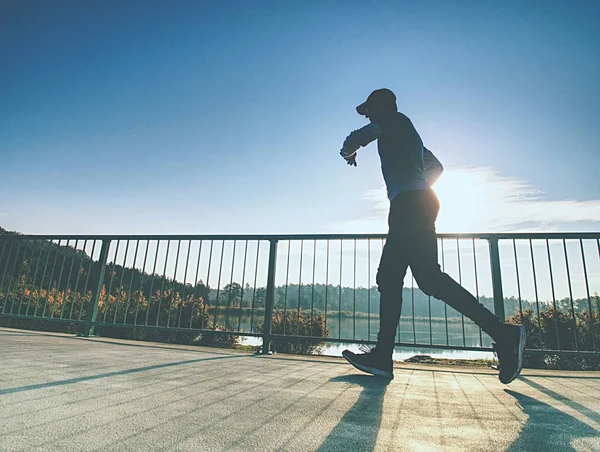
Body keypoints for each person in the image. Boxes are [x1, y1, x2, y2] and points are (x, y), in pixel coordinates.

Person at [339, 88, 526, 384]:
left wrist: (347, 152)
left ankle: (504, 335)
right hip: (414, 202)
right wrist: (419, 186)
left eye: (370, 110)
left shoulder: (394, 121)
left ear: (383, 105)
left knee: (422, 278)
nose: (369, 115)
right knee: (399, 278)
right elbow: (436, 166)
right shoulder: (408, 135)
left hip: (409, 205)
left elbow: (357, 138)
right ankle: (383, 356)